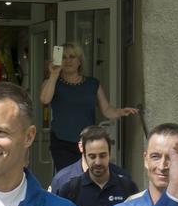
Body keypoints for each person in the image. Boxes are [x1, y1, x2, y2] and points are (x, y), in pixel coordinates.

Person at [38, 42, 137, 172]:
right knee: (68, 179)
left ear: (79, 61)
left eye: (72, 57)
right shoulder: (52, 82)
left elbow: (106, 110)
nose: (67, 61)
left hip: (88, 141)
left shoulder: (92, 84)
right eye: (63, 57)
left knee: (89, 176)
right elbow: (44, 99)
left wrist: (121, 112)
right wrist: (54, 75)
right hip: (62, 141)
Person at [52, 125, 139, 206]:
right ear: (84, 155)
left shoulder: (127, 186)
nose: (98, 162)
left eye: (102, 156)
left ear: (109, 154)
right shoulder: (69, 190)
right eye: (92, 156)